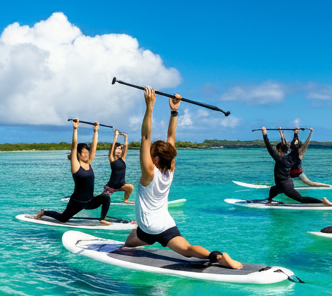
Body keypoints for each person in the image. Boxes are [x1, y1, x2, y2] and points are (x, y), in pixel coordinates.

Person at [119, 87, 242, 269]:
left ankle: (144, 239)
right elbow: (171, 137)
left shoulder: (149, 173)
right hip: (165, 225)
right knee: (187, 248)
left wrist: (150, 106)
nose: (148, 153)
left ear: (156, 158)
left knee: (128, 243)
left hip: (149, 228)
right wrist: (174, 111)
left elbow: (145, 136)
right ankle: (217, 257)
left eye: (151, 152)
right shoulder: (170, 168)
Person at [35, 120, 112, 224]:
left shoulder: (89, 162)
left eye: (87, 152)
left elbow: (94, 146)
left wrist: (96, 131)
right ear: (78, 154)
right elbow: (74, 146)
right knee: (63, 219)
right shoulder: (76, 165)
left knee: (106, 196)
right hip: (77, 202)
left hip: (90, 201)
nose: (86, 155)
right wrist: (75, 129)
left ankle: (102, 219)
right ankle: (44, 212)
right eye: (83, 153)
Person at [263, 127, 332, 205]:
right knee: (273, 189)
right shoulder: (291, 157)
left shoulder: (279, 159)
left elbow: (268, 146)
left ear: (279, 150)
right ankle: (269, 199)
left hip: (285, 186)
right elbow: (294, 147)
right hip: (286, 183)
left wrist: (264, 134)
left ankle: (322, 202)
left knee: (301, 199)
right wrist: (296, 134)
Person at [105, 129, 134, 202]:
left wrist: (125, 137)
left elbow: (126, 146)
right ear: (114, 149)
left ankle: (126, 200)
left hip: (121, 185)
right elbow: (112, 146)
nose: (119, 150)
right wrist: (116, 136)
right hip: (111, 186)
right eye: (117, 148)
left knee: (130, 187)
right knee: (102, 199)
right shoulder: (112, 158)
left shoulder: (123, 159)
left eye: (120, 149)